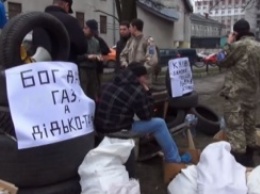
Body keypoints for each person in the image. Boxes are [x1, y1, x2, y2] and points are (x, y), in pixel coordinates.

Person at [95, 62, 192, 164]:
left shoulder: (110, 83)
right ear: (138, 77)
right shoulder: (136, 90)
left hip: (100, 128)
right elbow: (147, 116)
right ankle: (174, 159)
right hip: (117, 130)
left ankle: (171, 153)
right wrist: (148, 92)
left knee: (136, 116)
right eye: (145, 77)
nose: (147, 80)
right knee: (159, 124)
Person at [218, 19, 260, 167]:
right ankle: (250, 161)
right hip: (252, 96)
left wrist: (228, 42)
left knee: (236, 129)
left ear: (236, 33)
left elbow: (221, 60)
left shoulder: (238, 46)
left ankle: (238, 165)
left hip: (236, 97)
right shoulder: (258, 47)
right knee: (250, 128)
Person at [120, 19, 159, 83]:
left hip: (144, 78)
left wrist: (142, 70)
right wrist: (125, 65)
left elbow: (152, 59)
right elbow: (123, 55)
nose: (129, 29)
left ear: (134, 28)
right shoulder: (130, 41)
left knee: (144, 92)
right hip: (131, 77)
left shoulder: (148, 40)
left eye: (130, 27)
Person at [77, 20, 101, 100]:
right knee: (83, 90)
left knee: (92, 91)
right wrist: (87, 57)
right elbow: (75, 56)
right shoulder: (80, 40)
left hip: (93, 69)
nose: (84, 30)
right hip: (82, 68)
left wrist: (98, 57)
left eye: (86, 28)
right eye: (84, 28)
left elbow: (98, 52)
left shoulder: (96, 42)